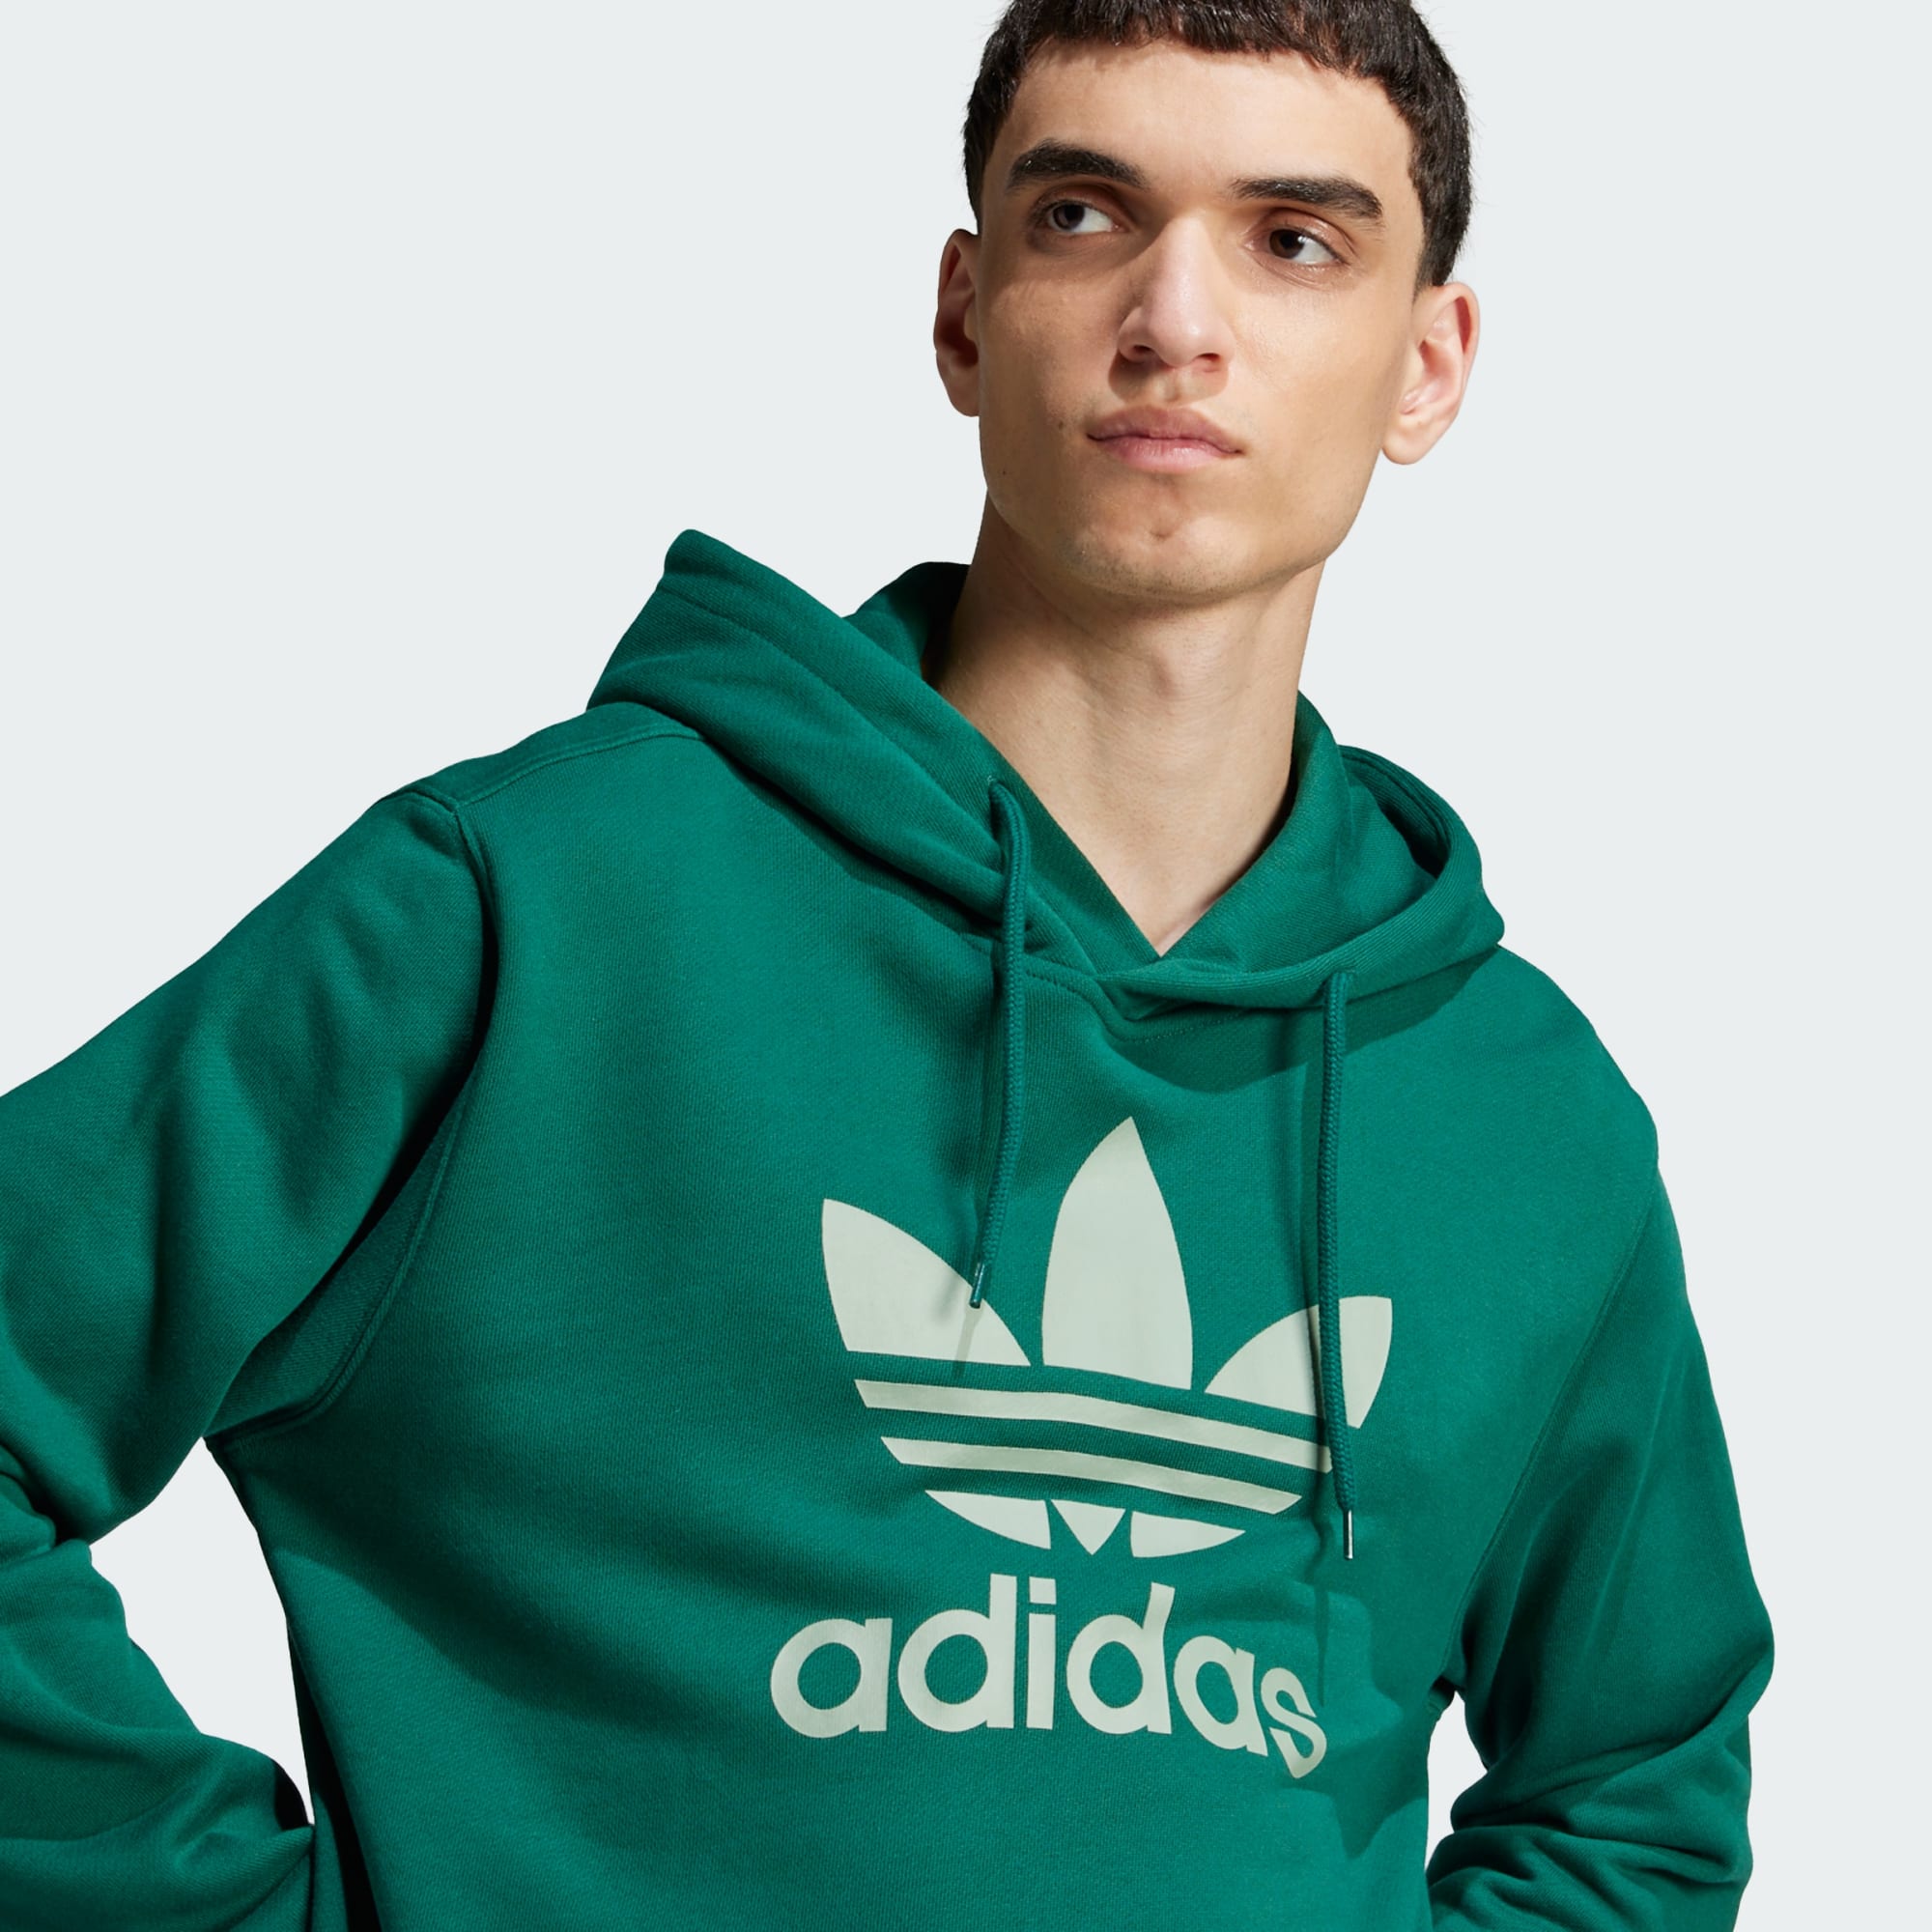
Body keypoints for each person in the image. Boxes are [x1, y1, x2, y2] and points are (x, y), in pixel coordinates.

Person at [0, 2, 1775, 1927]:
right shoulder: (537, 908)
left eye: (1294, 240)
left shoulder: (1519, 1110)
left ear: (1427, 365)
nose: (1176, 319)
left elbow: (1632, 1794)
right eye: (1085, 215)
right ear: (964, 313)